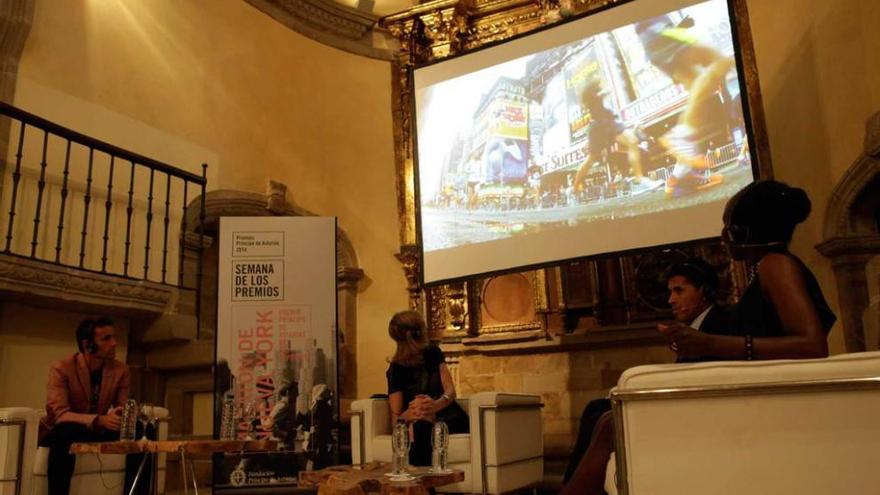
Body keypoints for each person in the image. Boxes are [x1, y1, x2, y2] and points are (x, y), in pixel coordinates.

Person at [561, 180, 836, 495]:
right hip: (757, 397)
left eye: (729, 229)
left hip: (765, 405)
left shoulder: (776, 265)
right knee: (606, 417)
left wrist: (709, 344)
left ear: (745, 233)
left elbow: (812, 345)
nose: (723, 238)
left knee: (611, 423)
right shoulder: (766, 268)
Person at [562, 257, 729, 483]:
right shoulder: (694, 328)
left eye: (679, 291)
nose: (671, 300)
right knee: (597, 409)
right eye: (670, 292)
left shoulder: (717, 324)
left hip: (698, 413)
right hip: (683, 406)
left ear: (704, 292)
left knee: (600, 413)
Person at [39, 317, 152, 495]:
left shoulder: (120, 370)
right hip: (67, 428)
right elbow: (59, 414)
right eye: (106, 339)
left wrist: (121, 413)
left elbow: (123, 405)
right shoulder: (62, 368)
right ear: (87, 344)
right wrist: (99, 420)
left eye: (114, 337)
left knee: (143, 429)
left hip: (97, 430)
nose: (114, 343)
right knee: (65, 431)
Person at [635, 14, 733, 197]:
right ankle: (680, 136)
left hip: (655, 37)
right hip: (658, 32)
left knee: (702, 92)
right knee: (721, 61)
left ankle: (682, 175)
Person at [385, 310, 469, 466]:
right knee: (421, 428)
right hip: (420, 421)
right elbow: (397, 419)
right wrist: (412, 415)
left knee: (424, 427)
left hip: (448, 415)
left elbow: (450, 391)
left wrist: (435, 406)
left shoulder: (433, 353)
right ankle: (425, 486)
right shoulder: (396, 368)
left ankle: (423, 485)